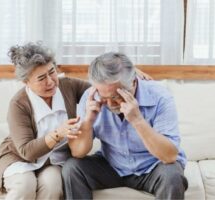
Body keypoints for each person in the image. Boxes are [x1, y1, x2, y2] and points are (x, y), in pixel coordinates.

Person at [0, 42, 151, 200]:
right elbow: (26, 151)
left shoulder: (67, 85)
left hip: (52, 160)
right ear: (26, 82)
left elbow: (101, 88)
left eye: (52, 72)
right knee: (25, 186)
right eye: (41, 78)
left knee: (53, 187)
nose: (50, 81)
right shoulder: (19, 104)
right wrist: (58, 134)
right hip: (20, 157)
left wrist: (127, 75)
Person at [62, 52, 188, 200]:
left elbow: (169, 156)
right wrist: (88, 120)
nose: (110, 104)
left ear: (133, 83)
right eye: (104, 97)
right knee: (72, 168)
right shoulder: (90, 98)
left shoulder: (160, 96)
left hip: (154, 166)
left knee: (172, 176)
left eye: (116, 96)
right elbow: (77, 152)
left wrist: (138, 121)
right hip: (112, 165)